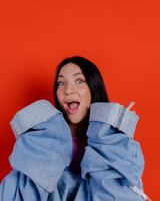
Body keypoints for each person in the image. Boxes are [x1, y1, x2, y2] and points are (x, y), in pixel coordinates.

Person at [0, 56, 151, 200]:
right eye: (61, 83)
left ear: (94, 88)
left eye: (79, 80)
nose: (68, 90)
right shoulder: (39, 143)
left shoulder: (110, 145)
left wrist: (114, 133)